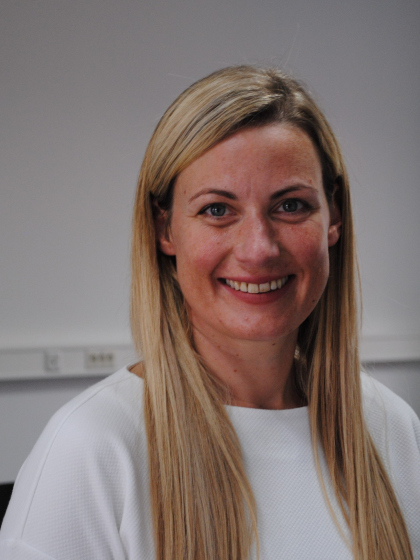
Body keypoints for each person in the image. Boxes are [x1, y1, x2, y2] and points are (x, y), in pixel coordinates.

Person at [1, 65, 419, 560]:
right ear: (165, 230)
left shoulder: (391, 428)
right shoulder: (91, 447)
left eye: (290, 206)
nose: (259, 249)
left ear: (334, 218)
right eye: (217, 210)